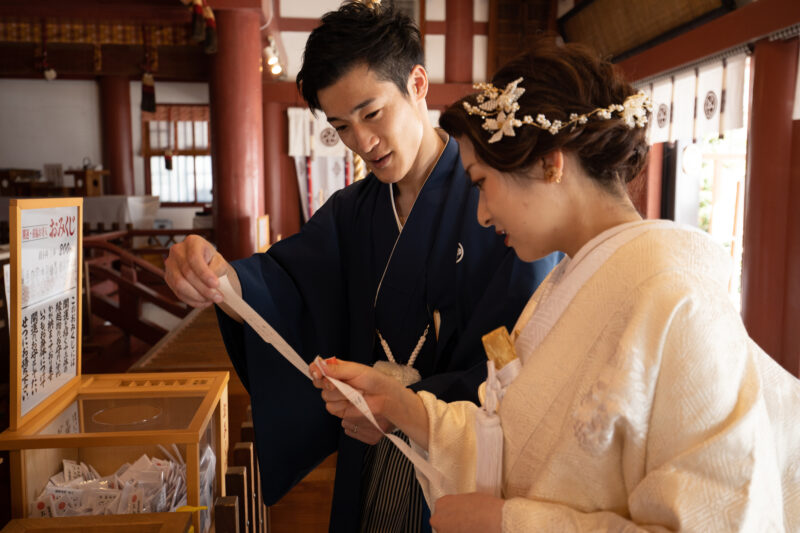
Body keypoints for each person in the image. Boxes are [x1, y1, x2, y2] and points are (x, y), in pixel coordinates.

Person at [311, 36, 800, 532]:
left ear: (550, 163)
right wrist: (402, 406)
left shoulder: (681, 302)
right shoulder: (564, 286)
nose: (480, 215)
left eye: (482, 184)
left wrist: (509, 524)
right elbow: (515, 439)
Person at [164, 4, 559, 532]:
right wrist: (218, 277)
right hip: (370, 439)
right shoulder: (353, 212)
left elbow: (519, 351)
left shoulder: (495, 203)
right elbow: (288, 287)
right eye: (341, 127)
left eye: (372, 114)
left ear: (417, 84)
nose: (362, 142)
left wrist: (410, 404)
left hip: (462, 447)